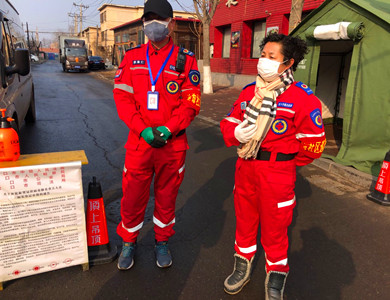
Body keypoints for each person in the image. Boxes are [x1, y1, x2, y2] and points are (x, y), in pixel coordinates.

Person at [220, 33, 326, 299]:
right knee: (244, 223)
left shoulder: (302, 98)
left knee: (275, 230)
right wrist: (238, 136)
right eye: (263, 55)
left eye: (271, 57)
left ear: (288, 63)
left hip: (277, 175)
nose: (263, 62)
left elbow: (313, 145)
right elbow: (229, 123)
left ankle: (276, 278)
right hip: (245, 168)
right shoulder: (248, 92)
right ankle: (242, 267)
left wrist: (284, 161)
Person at [113, 0, 201, 270]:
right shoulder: (131, 57)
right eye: (148, 19)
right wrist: (143, 129)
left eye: (159, 19)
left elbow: (191, 102)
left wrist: (168, 128)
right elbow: (122, 98)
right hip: (140, 144)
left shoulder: (185, 60)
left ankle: (162, 240)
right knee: (132, 197)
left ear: (171, 24)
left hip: (172, 145)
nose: (153, 25)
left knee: (166, 197)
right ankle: (129, 242)